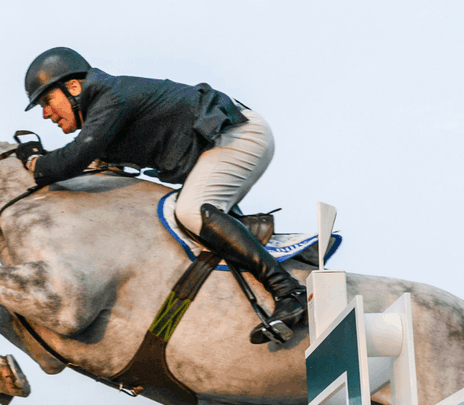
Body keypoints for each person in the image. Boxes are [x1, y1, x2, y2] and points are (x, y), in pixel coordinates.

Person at [20, 47, 306, 344]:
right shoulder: (104, 109)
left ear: (73, 87)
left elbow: (74, 158)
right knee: (189, 228)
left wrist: (36, 162)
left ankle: (289, 291)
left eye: (47, 101)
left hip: (237, 135)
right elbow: (85, 164)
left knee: (191, 211)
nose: (45, 114)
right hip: (220, 142)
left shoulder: (109, 97)